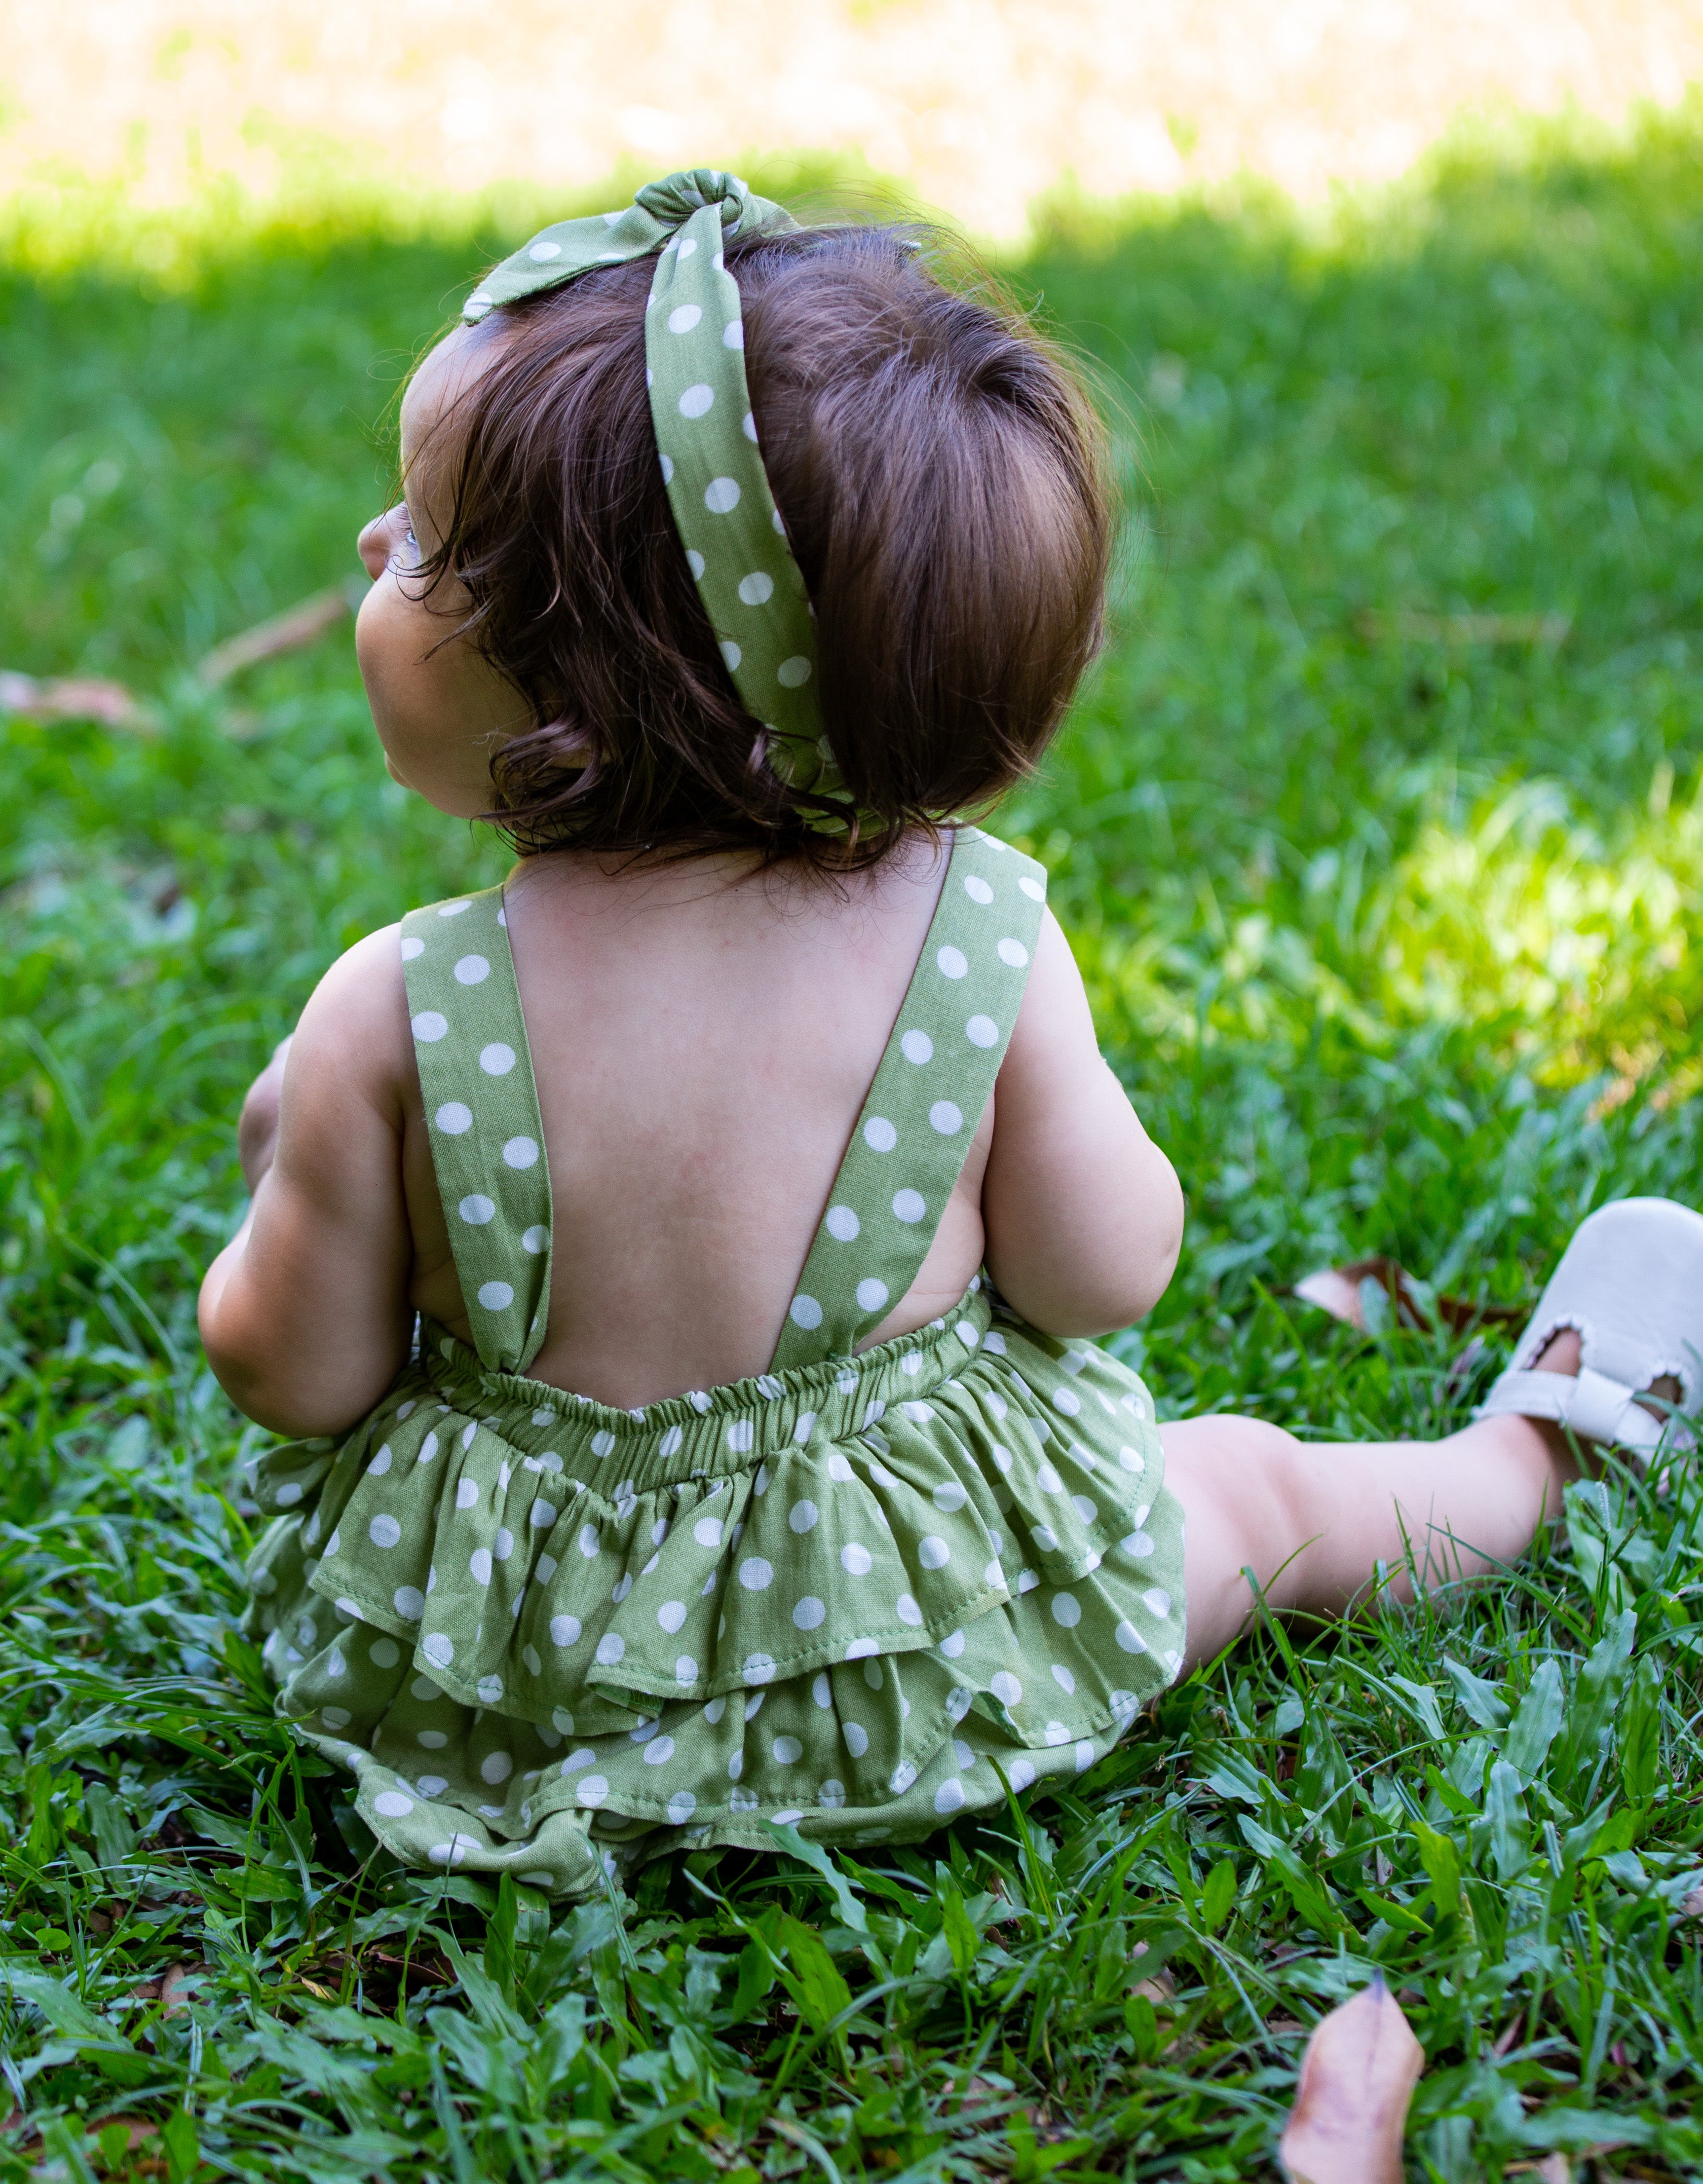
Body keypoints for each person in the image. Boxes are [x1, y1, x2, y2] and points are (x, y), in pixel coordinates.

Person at [200, 172, 1703, 1901]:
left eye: (439, 547)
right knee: (1240, 1490)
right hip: (923, 1650)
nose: (376, 552)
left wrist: (283, 1198)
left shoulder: (391, 1009)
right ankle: (1527, 1465)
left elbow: (291, 1375)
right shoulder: (974, 941)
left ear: (603, 693)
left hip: (511, 1695)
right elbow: (1102, 1276)